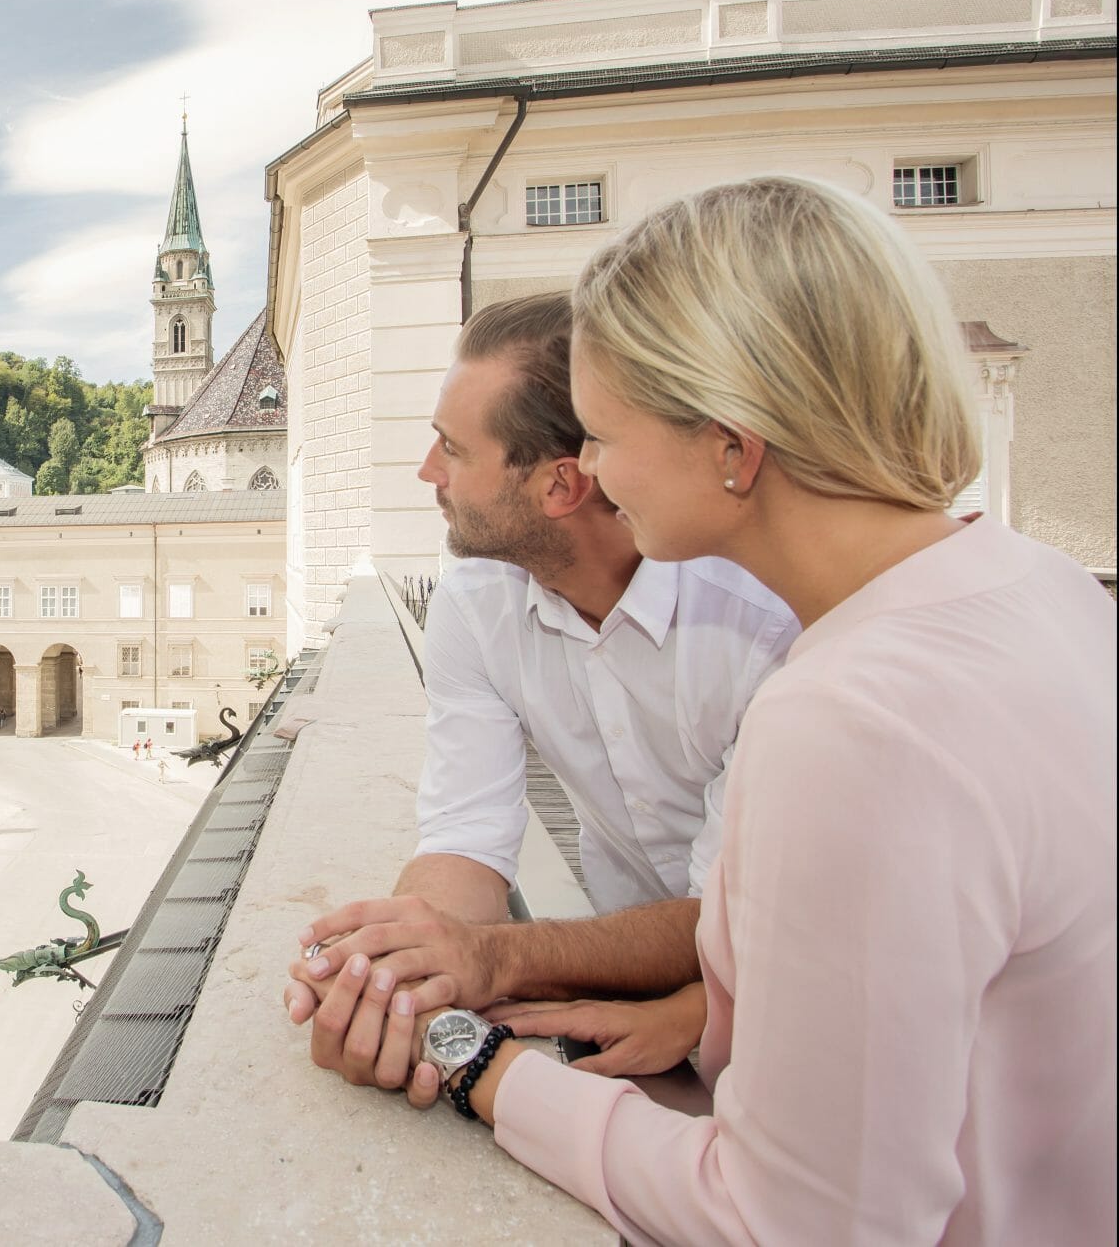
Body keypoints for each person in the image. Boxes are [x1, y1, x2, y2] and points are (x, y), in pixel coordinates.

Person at [346, 177, 1116, 1242]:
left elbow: (791, 1222)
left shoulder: (848, 717)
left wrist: (476, 1062)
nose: (601, 475)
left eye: (609, 436)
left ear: (731, 447)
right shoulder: (1049, 587)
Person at [288, 292, 795, 1087]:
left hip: (791, 1009)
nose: (428, 473)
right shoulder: (476, 597)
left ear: (562, 487)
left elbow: (733, 921)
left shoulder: (763, 623)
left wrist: (487, 960)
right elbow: (466, 829)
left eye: (452, 450)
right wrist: (392, 974)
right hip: (639, 995)